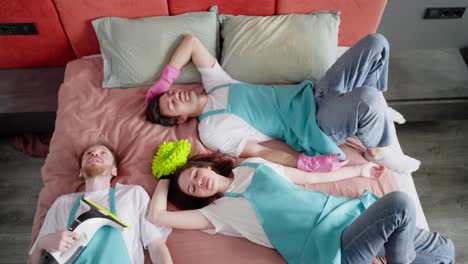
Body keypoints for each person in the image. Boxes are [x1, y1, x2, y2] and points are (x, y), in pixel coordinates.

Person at [145, 33, 421, 174]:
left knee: (376, 43)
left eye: (171, 94)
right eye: (171, 105)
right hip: (317, 121)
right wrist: (304, 163)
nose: (174, 96)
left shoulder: (216, 83)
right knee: (367, 100)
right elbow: (260, 153)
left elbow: (191, 42)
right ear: (180, 120)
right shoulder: (211, 130)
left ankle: (376, 115)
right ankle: (380, 150)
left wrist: (163, 83)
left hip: (317, 92)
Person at [147, 154, 454, 264]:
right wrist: (165, 176)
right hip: (333, 250)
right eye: (191, 188)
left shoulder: (252, 167)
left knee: (445, 251)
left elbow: (310, 178)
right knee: (399, 204)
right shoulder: (217, 213)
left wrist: (358, 173)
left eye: (193, 174)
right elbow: (157, 217)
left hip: (354, 218)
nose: (197, 182)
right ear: (198, 197)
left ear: (205, 165)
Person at [29, 144, 173, 264]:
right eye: (89, 154)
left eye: (103, 153)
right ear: (81, 172)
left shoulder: (132, 194)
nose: (94, 155)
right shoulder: (62, 203)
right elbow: (32, 260)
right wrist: (42, 243)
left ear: (114, 170)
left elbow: (157, 246)